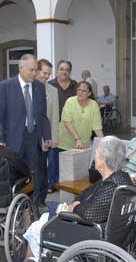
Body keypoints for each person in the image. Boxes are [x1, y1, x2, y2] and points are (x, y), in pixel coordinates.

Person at [23, 136, 133, 259]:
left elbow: (90, 213)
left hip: (90, 232)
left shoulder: (111, 185)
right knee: (45, 214)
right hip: (103, 228)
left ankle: (32, 258)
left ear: (104, 159)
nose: (94, 157)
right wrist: (77, 203)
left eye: (95, 153)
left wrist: (74, 208)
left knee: (38, 227)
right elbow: (86, 193)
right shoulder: (120, 178)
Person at [0, 54, 51, 210]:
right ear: (20, 68)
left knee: (35, 173)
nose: (34, 73)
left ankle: (35, 205)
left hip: (33, 137)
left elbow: (42, 115)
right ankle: (13, 207)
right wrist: (0, 139)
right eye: (31, 70)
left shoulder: (39, 87)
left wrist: (47, 136)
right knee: (14, 174)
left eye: (35, 70)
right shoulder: (5, 86)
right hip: (13, 139)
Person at [48, 60, 77, 191]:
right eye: (61, 69)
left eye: (66, 69)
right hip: (54, 125)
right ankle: (53, 183)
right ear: (57, 71)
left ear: (70, 72)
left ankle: (68, 183)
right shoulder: (50, 85)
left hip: (71, 126)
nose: (64, 72)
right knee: (53, 156)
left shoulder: (76, 86)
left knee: (69, 156)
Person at [35, 59, 59, 204]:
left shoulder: (52, 91)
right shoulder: (28, 87)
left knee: (42, 171)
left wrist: (53, 139)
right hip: (28, 137)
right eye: (44, 73)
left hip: (45, 138)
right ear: (37, 71)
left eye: (49, 74)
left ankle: (40, 201)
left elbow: (54, 116)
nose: (46, 77)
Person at [58, 81, 103, 151]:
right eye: (79, 90)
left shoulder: (94, 105)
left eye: (84, 91)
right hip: (65, 143)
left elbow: (97, 127)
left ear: (89, 93)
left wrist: (104, 142)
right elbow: (67, 123)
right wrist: (78, 139)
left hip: (84, 144)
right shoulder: (70, 101)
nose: (80, 92)